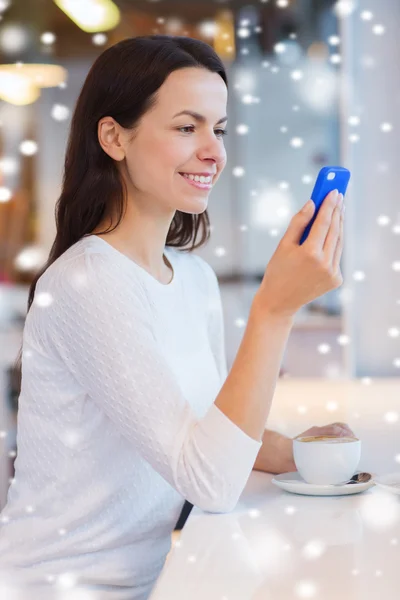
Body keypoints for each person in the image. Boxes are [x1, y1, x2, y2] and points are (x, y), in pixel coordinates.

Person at [0, 35, 354, 599]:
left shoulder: (194, 280)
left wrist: (311, 453)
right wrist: (275, 308)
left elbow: (208, 435)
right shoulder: (87, 282)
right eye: (187, 128)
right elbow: (209, 481)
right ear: (114, 137)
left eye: (220, 129)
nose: (213, 150)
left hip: (149, 582)